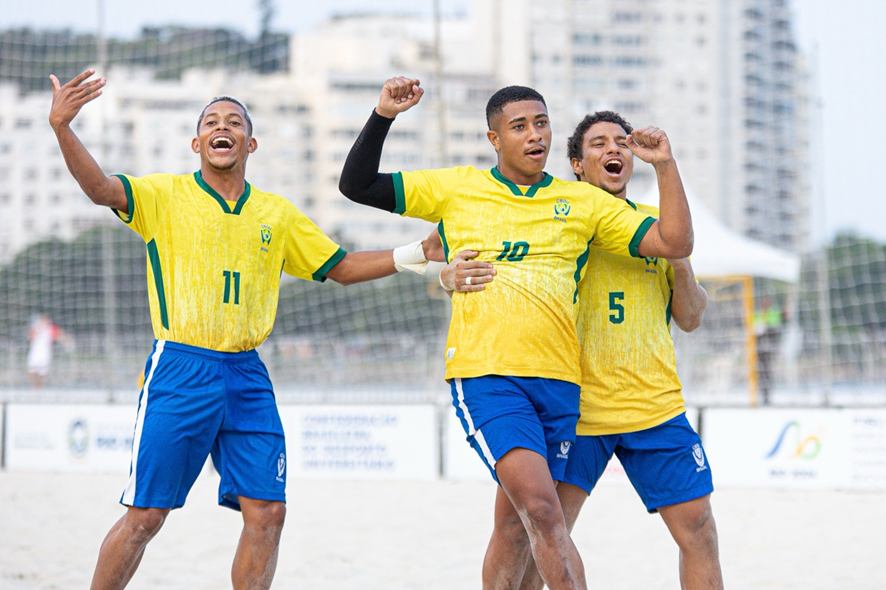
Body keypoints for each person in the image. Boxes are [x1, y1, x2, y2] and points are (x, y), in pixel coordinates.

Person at [48, 69, 434, 590]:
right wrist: (63, 127)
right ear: (197, 142)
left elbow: (340, 267)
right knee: (145, 518)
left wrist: (419, 254)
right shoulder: (163, 195)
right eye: (211, 121)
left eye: (233, 121)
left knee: (268, 515)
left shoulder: (276, 213)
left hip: (248, 375)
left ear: (250, 142)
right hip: (180, 369)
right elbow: (98, 189)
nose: (221, 127)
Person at [338, 77, 694, 590]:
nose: (535, 136)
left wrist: (663, 165)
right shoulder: (457, 188)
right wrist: (383, 116)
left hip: (560, 385)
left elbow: (674, 240)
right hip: (488, 377)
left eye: (542, 123)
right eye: (519, 126)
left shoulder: (582, 203)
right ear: (494, 139)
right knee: (544, 511)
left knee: (512, 526)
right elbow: (357, 184)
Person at [438, 111, 722, 589]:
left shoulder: (658, 226)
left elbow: (691, 317)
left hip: (654, 406)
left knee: (699, 530)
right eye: (597, 144)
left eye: (621, 143)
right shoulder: (554, 219)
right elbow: (487, 266)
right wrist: (447, 276)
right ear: (576, 164)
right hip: (576, 407)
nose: (613, 150)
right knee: (530, 533)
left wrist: (680, 262)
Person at [27, 313, 70, 388]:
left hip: (45, 353)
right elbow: (30, 339)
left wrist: (67, 342)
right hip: (34, 353)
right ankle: (34, 388)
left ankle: (40, 389)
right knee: (32, 371)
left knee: (42, 373)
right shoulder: (35, 327)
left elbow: (59, 336)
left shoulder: (51, 327)